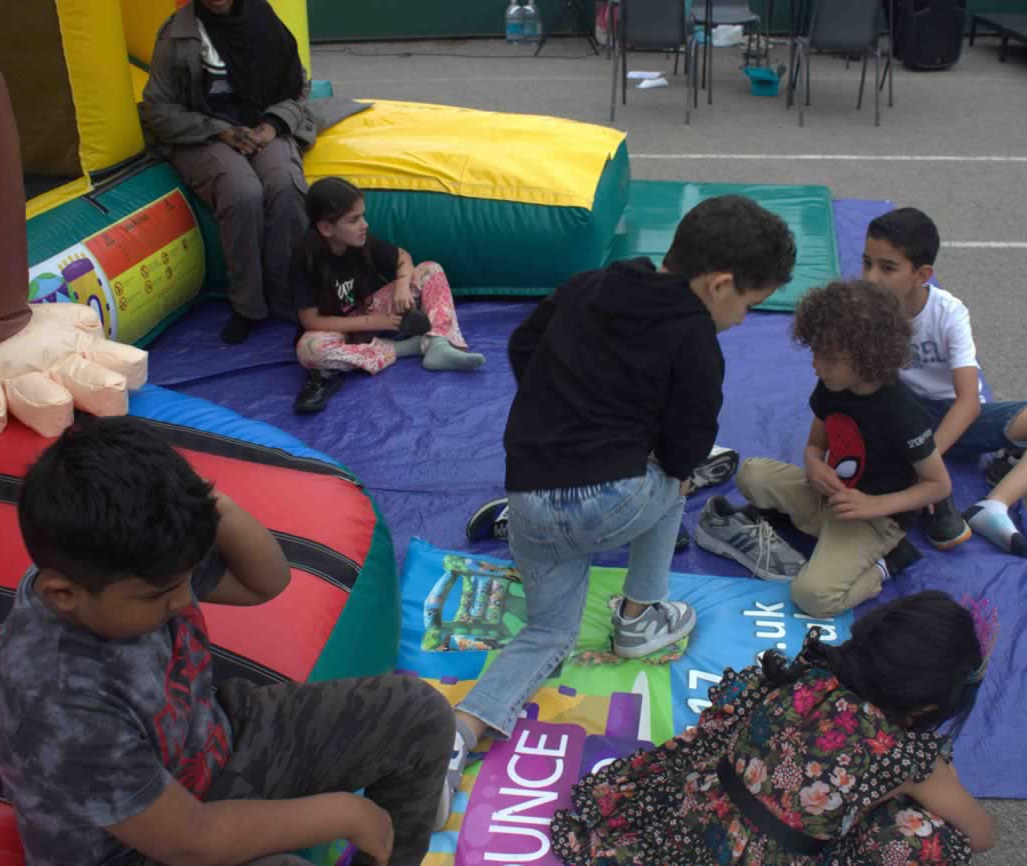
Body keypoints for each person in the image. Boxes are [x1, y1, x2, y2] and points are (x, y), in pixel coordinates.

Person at [446, 195, 798, 814]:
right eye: (749, 305)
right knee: (677, 479)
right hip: (607, 502)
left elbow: (524, 344)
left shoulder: (593, 283)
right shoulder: (695, 339)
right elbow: (687, 448)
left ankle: (457, 735)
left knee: (547, 633)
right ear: (719, 285)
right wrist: (663, 459)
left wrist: (563, 408)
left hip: (528, 492)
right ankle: (639, 617)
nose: (743, 320)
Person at [0, 417, 453, 866]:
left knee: (421, 716)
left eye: (186, 579)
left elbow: (265, 581)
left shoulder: (137, 568)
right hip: (147, 849)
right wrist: (343, 813)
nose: (184, 599)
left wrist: (204, 503)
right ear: (63, 594)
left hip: (217, 744)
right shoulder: (58, 698)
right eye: (160, 595)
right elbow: (192, 841)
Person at [551, 590, 998, 866]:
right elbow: (981, 836)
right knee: (933, 836)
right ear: (926, 704)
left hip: (697, 820)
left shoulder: (805, 674)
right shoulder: (902, 755)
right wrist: (929, 778)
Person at [696, 280, 952, 618]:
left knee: (812, 597)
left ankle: (888, 563)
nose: (816, 365)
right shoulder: (832, 386)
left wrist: (873, 505)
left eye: (829, 358)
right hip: (829, 497)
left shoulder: (902, 411)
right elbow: (816, 446)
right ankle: (818, 530)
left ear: (868, 357)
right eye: (815, 352)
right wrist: (815, 465)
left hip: (874, 519)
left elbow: (938, 485)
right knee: (751, 473)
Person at [862, 208, 1027, 557]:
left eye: (887, 268)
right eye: (867, 263)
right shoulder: (863, 310)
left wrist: (926, 461)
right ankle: (938, 494)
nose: (871, 277)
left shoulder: (949, 313)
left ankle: (994, 505)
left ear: (922, 275)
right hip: (901, 416)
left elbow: (968, 402)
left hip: (954, 420)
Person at [140, 0, 318, 345]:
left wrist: (273, 124)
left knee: (285, 184)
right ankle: (247, 306)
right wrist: (220, 131)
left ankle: (287, 296)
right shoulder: (177, 35)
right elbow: (158, 110)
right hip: (205, 134)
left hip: (262, 126)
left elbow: (298, 87)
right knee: (241, 192)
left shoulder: (264, 20)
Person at [291, 177, 484, 413]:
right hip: (337, 330)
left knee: (430, 270)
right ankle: (407, 347)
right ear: (326, 228)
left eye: (363, 216)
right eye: (353, 220)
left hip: (368, 308)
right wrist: (376, 322)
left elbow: (403, 257)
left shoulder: (360, 241)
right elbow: (311, 320)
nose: (364, 225)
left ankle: (439, 342)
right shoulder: (305, 259)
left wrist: (402, 286)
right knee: (309, 350)